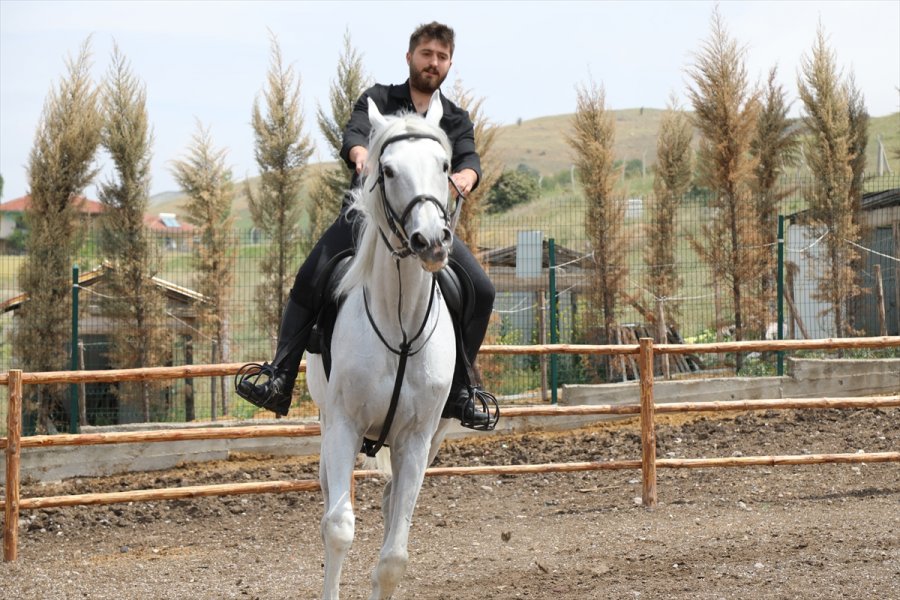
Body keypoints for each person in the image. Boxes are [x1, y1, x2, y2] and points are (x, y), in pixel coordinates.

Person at [236, 22, 496, 430]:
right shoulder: (377, 99)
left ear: (449, 64)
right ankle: (280, 376)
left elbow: (469, 158)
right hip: (365, 218)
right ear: (409, 56)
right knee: (311, 276)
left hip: (425, 225)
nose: (434, 63)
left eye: (442, 57)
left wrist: (466, 177)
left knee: (481, 289)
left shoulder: (456, 118)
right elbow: (354, 134)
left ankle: (461, 388)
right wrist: (361, 154)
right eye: (427, 54)